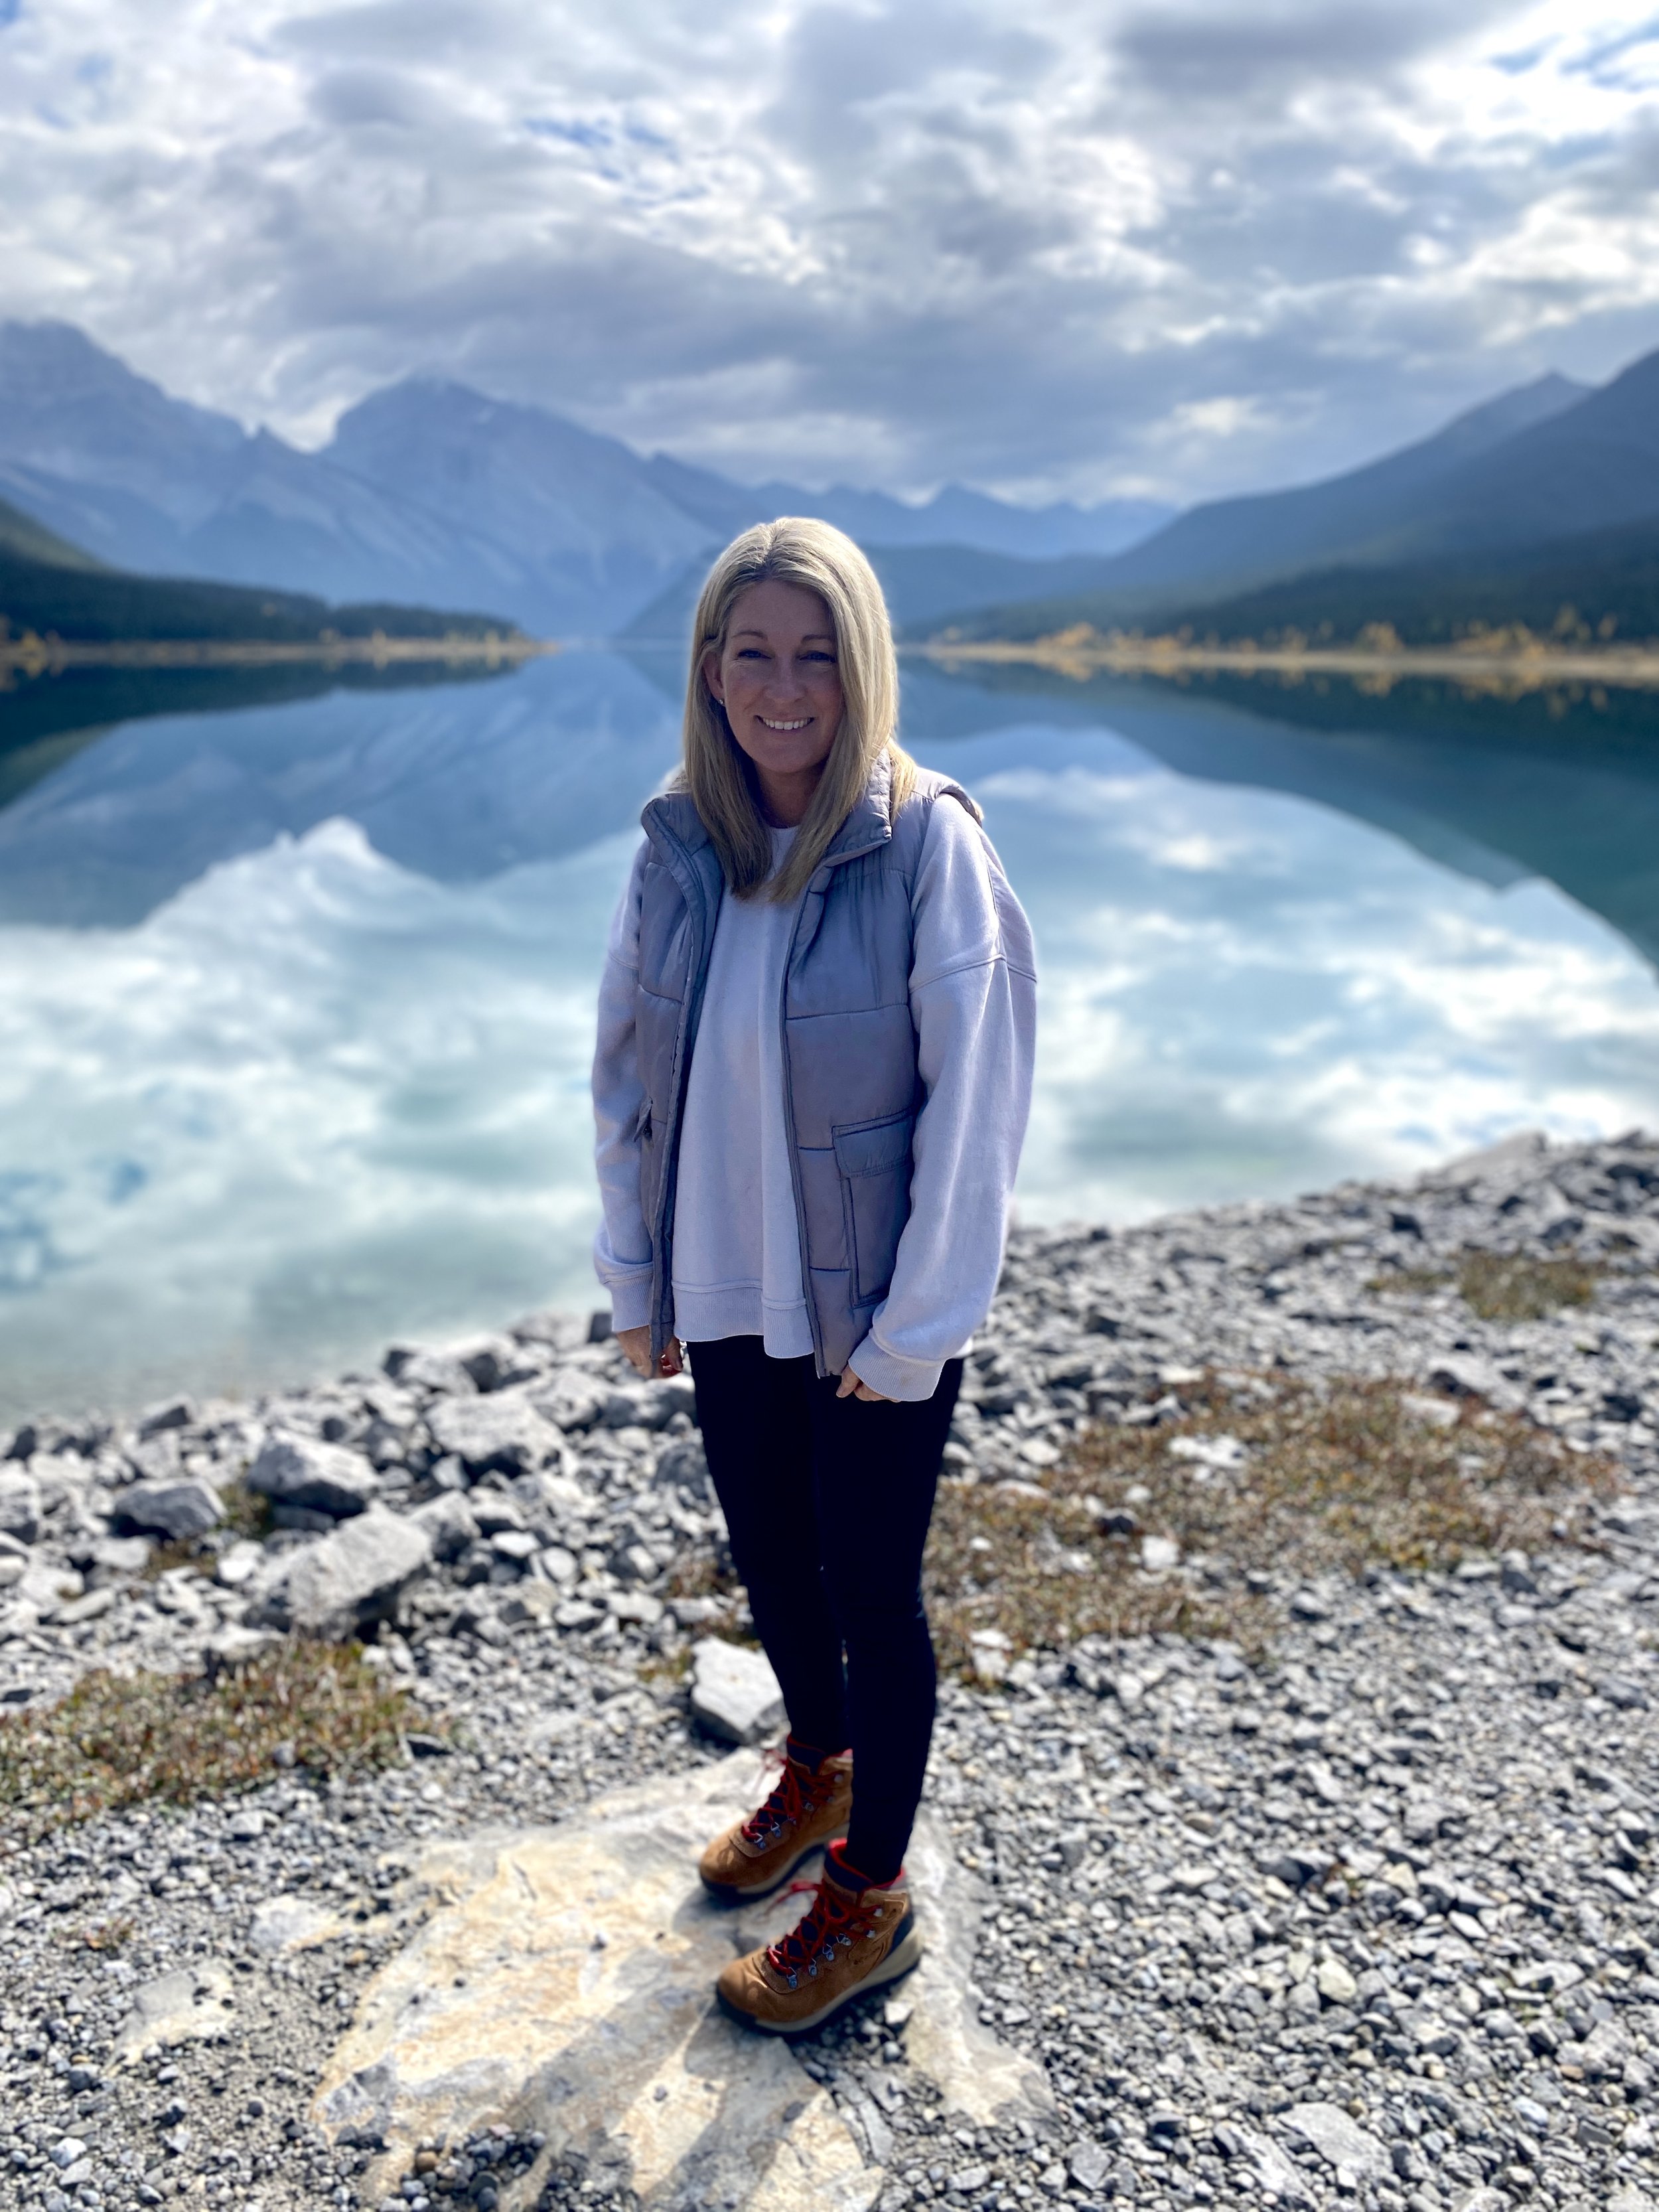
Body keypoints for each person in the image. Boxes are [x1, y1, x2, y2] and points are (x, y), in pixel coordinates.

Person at [591, 516, 1036, 2034]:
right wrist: (635, 1269)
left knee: (871, 1589)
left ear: (863, 669)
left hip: (868, 1307)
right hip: (725, 1283)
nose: (783, 688)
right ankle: (820, 1765)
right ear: (709, 668)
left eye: (816, 654)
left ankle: (871, 1892)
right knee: (773, 1559)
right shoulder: (680, 842)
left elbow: (977, 1101)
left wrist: (918, 1327)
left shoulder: (926, 843)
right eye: (753, 653)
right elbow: (624, 1071)